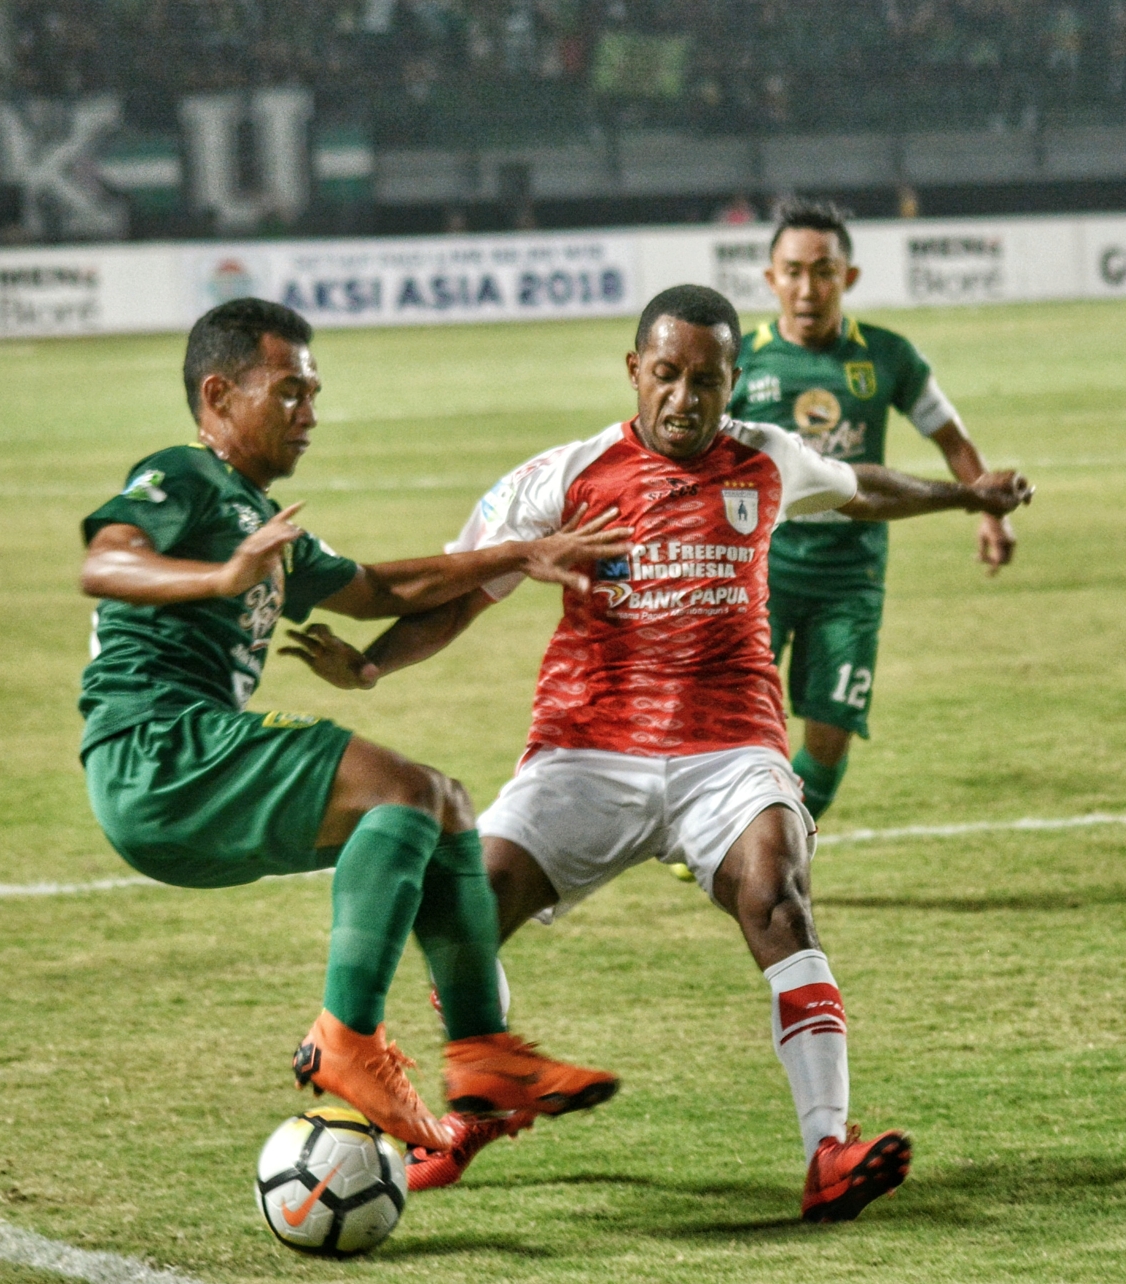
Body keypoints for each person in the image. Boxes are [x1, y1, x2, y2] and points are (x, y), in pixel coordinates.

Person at [280, 284, 1033, 1219]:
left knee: (778, 896)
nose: (684, 397)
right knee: (463, 909)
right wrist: (373, 666)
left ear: (732, 383)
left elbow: (863, 487)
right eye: (666, 374)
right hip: (587, 750)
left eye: (706, 380)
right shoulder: (566, 476)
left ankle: (827, 1151)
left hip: (730, 749)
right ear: (634, 370)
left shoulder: (767, 458)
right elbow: (465, 590)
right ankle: (482, 1105)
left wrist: (965, 492)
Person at [78, 298, 628, 1152]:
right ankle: (346, 1042)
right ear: (219, 396)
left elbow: (381, 590)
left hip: (183, 776)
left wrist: (521, 552)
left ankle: (484, 1055)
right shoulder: (184, 478)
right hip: (157, 752)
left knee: (443, 805)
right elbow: (103, 561)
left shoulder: (260, 519)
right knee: (402, 793)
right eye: (289, 393)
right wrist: (221, 579)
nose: (310, 415)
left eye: (314, 394)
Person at [725, 199, 1019, 823]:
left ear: (848, 279)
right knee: (731, 726)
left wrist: (989, 513)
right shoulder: (739, 366)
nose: (808, 288)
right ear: (770, 278)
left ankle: (756, 839)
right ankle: (723, 843)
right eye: (794, 271)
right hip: (758, 573)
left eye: (824, 271)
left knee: (827, 744)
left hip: (851, 575)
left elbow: (951, 439)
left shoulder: (889, 356)